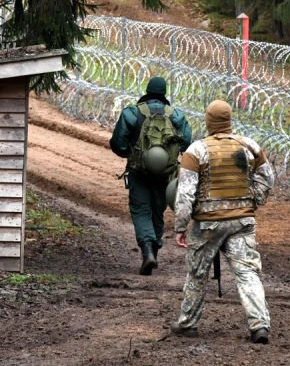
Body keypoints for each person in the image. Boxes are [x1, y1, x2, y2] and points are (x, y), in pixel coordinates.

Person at [170, 100, 274, 344]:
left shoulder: (196, 151)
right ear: (229, 120)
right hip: (243, 222)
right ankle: (259, 325)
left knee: (197, 274)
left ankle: (188, 324)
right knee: (248, 273)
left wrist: (180, 226)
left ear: (208, 121)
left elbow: (185, 195)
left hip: (207, 224)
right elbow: (267, 179)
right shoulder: (249, 147)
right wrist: (253, 201)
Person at [110, 77, 193, 276]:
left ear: (147, 91)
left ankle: (147, 250)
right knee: (158, 211)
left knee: (140, 211)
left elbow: (117, 143)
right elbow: (186, 143)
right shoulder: (176, 116)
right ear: (164, 93)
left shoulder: (132, 113)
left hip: (139, 172)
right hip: (165, 174)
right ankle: (154, 249)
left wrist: (130, 153)